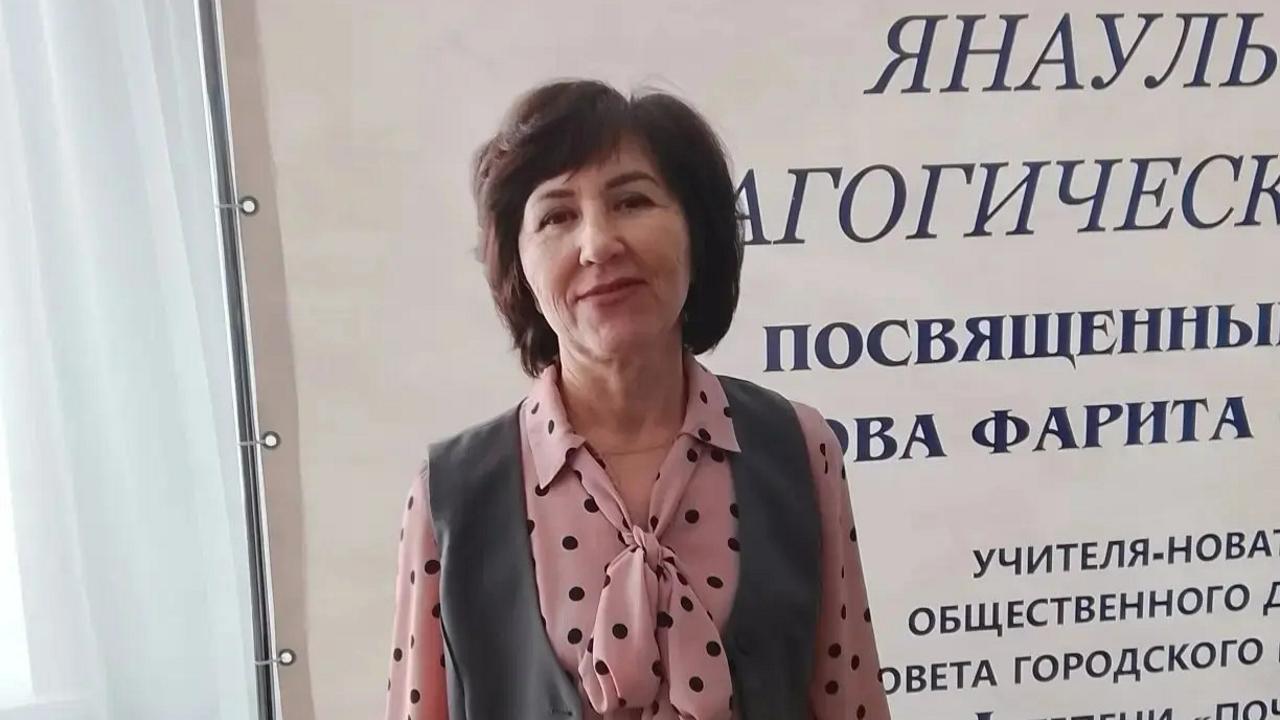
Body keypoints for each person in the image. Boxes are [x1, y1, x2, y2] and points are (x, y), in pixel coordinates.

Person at [384, 78, 891, 720]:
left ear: (697, 232)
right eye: (556, 216)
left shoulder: (798, 448)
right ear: (519, 263)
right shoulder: (451, 495)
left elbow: (851, 699)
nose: (598, 245)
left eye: (632, 201)